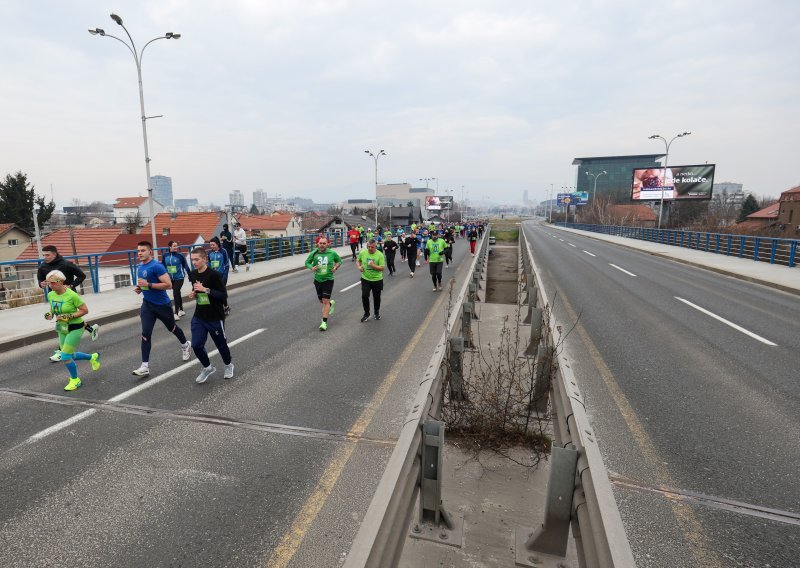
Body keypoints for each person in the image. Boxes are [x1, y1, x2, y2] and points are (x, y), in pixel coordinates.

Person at [131, 241, 192, 377]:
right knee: (145, 333)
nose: (140, 253)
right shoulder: (140, 267)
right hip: (147, 305)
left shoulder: (157, 266)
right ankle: (144, 366)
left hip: (162, 305)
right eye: (138, 251)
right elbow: (146, 284)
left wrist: (149, 284)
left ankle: (185, 345)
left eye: (143, 250)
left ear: (150, 252)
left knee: (172, 328)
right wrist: (140, 288)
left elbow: (168, 285)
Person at [37, 244, 100, 362]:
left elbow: (82, 275)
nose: (45, 257)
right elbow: (40, 280)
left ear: (55, 254)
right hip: (54, 297)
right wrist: (42, 284)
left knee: (68, 320)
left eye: (47, 255)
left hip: (68, 295)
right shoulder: (42, 267)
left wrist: (71, 285)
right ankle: (90, 330)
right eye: (43, 255)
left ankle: (62, 351)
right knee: (65, 319)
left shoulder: (66, 264)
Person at [44, 270, 101, 391]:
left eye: (53, 283)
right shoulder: (51, 295)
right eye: (48, 283)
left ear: (61, 282)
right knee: (70, 354)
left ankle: (75, 380)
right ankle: (92, 357)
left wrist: (69, 316)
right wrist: (50, 314)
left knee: (65, 356)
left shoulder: (72, 295)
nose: (50, 285)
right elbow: (53, 308)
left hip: (76, 327)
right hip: (61, 327)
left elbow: (85, 310)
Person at [187, 247, 234, 383]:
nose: (194, 262)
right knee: (196, 345)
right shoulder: (193, 274)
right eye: (192, 260)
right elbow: (196, 288)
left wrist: (206, 290)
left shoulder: (214, 275)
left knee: (221, 345)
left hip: (215, 317)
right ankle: (207, 368)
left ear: (205, 259)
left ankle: (228, 365)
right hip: (199, 315)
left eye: (197, 259)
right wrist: (194, 293)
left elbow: (223, 295)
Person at [304, 236, 342, 331]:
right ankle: (330, 304)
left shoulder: (332, 253)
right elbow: (307, 262)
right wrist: (311, 267)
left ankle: (324, 322)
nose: (322, 245)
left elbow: (339, 261)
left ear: (328, 244)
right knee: (322, 301)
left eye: (324, 243)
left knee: (325, 301)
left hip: (328, 279)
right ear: (317, 244)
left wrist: (335, 267)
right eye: (320, 243)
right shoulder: (314, 253)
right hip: (318, 280)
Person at [356, 239, 385, 322]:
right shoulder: (363, 253)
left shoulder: (380, 255)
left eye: (372, 247)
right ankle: (366, 313)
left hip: (377, 279)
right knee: (364, 296)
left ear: (376, 246)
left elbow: (382, 268)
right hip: (366, 279)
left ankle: (376, 312)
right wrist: (359, 267)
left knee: (376, 297)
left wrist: (373, 265)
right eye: (368, 247)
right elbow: (358, 260)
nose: (370, 248)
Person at [162, 240, 191, 320]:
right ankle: (181, 309)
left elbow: (186, 266)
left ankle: (176, 313)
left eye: (176, 246)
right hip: (170, 278)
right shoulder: (165, 256)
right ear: (170, 247)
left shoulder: (180, 255)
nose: (176, 247)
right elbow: (163, 266)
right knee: (177, 293)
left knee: (175, 292)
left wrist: (190, 275)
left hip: (179, 277)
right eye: (174, 246)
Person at [208, 237, 231, 316]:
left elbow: (227, 264)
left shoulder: (223, 251)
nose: (212, 246)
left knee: (221, 292)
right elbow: (209, 264)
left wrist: (225, 276)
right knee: (214, 292)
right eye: (210, 245)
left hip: (222, 275)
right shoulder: (210, 253)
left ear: (217, 244)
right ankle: (218, 308)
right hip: (213, 276)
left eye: (213, 245)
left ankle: (226, 307)